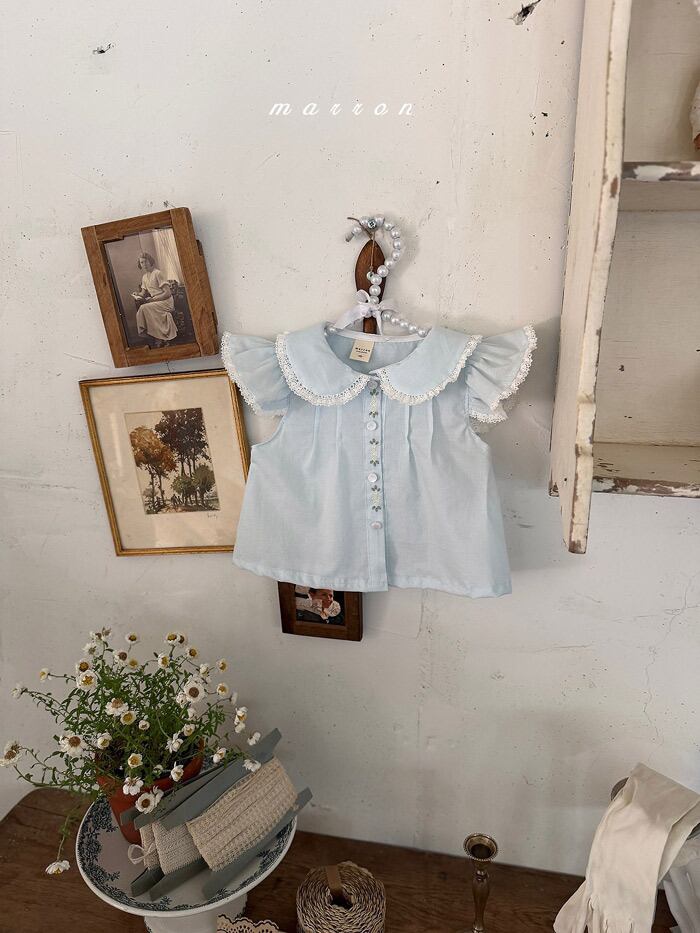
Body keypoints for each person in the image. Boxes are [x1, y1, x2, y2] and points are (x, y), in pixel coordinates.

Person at [133, 252, 177, 347]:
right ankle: (159, 338)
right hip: (156, 302)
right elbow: (143, 293)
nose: (144, 264)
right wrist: (137, 294)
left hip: (166, 301)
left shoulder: (158, 273)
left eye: (146, 261)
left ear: (150, 261)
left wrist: (153, 299)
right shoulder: (144, 277)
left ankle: (159, 338)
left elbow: (168, 293)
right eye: (141, 262)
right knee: (146, 309)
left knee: (144, 308)